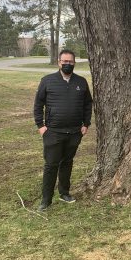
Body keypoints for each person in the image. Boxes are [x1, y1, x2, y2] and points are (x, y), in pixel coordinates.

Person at [34, 49, 93, 211]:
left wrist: (85, 124)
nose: (67, 64)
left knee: (67, 163)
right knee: (51, 165)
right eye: (64, 62)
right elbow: (38, 105)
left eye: (71, 62)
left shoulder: (81, 82)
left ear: (74, 63)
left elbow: (88, 104)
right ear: (59, 62)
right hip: (53, 132)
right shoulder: (47, 81)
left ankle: (64, 192)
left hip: (74, 132)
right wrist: (41, 126)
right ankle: (46, 199)